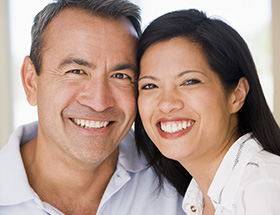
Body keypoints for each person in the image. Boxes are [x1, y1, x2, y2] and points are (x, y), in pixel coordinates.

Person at [0, 1, 186, 214]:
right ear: (31, 82)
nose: (99, 102)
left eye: (120, 76)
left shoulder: (181, 181)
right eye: (76, 71)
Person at [135, 9, 280, 215]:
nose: (166, 104)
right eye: (150, 86)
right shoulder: (198, 199)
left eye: (189, 81)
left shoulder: (262, 189)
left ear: (237, 95)